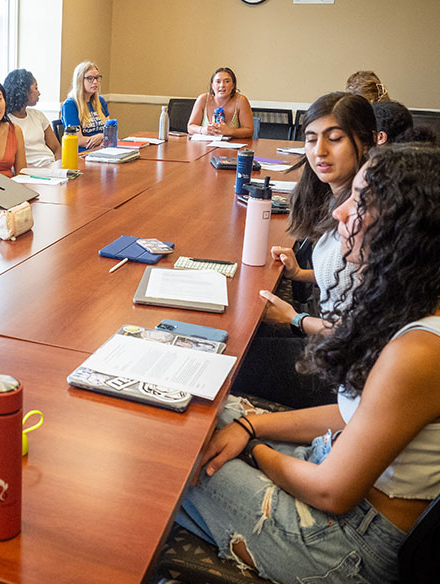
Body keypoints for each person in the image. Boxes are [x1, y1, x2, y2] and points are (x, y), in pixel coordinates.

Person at [176, 142, 440, 584]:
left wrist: (253, 449)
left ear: (405, 227)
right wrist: (250, 426)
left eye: (360, 201)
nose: (341, 212)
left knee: (169, 452)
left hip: (346, 543)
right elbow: (351, 415)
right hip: (334, 473)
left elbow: (332, 492)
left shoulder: (419, 352)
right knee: (194, 406)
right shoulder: (412, 306)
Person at [232, 92, 374, 408]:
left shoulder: (368, 214)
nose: (319, 150)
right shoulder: (335, 197)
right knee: (237, 334)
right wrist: (301, 274)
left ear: (366, 142)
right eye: (311, 139)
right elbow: (349, 280)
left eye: (334, 139)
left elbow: (365, 330)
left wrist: (295, 319)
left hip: (346, 369)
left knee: (231, 359)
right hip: (327, 338)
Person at [3, 69, 61, 167]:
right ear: (24, 91)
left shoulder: (38, 115)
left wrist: (60, 166)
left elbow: (57, 148)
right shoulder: (6, 122)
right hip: (30, 171)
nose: (39, 93)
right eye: (36, 88)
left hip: (50, 165)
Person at [187, 67, 254, 138]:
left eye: (227, 81)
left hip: (232, 144)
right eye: (218, 82)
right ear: (212, 85)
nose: (222, 85)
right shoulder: (203, 99)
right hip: (205, 144)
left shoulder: (241, 100)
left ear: (233, 85)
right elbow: (190, 127)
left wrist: (230, 131)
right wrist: (202, 130)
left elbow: (249, 131)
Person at [61, 61, 110, 151]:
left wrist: (101, 136)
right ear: (80, 80)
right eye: (90, 78)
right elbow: (78, 140)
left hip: (102, 149)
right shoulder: (70, 105)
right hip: (82, 152)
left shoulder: (100, 101)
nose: (95, 82)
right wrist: (104, 139)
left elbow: (111, 133)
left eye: (97, 78)